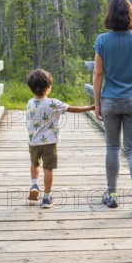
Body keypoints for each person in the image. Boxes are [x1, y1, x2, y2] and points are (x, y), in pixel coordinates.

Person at [92, 0, 132, 215]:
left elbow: (98, 73)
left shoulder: (102, 40)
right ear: (130, 15)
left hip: (109, 100)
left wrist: (97, 103)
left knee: (112, 147)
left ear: (110, 15)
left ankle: (113, 194)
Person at [26, 69, 95, 208]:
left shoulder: (30, 103)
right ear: (47, 88)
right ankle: (46, 198)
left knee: (34, 164)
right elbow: (72, 109)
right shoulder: (53, 103)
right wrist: (90, 107)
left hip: (33, 142)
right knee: (48, 168)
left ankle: (34, 185)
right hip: (50, 143)